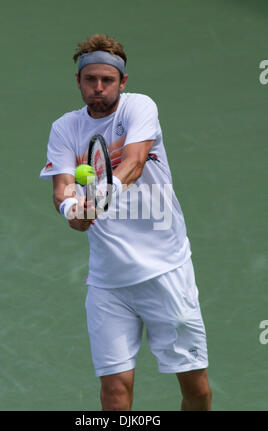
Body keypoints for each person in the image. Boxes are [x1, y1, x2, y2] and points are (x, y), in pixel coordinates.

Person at [39, 34, 212, 411]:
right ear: (78, 82)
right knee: (114, 393)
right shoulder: (65, 128)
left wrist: (98, 199)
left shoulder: (139, 107)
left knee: (196, 390)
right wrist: (73, 214)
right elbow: (63, 188)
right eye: (90, 81)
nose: (98, 89)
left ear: (123, 81)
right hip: (108, 283)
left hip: (166, 271)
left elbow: (133, 163)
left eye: (108, 80)